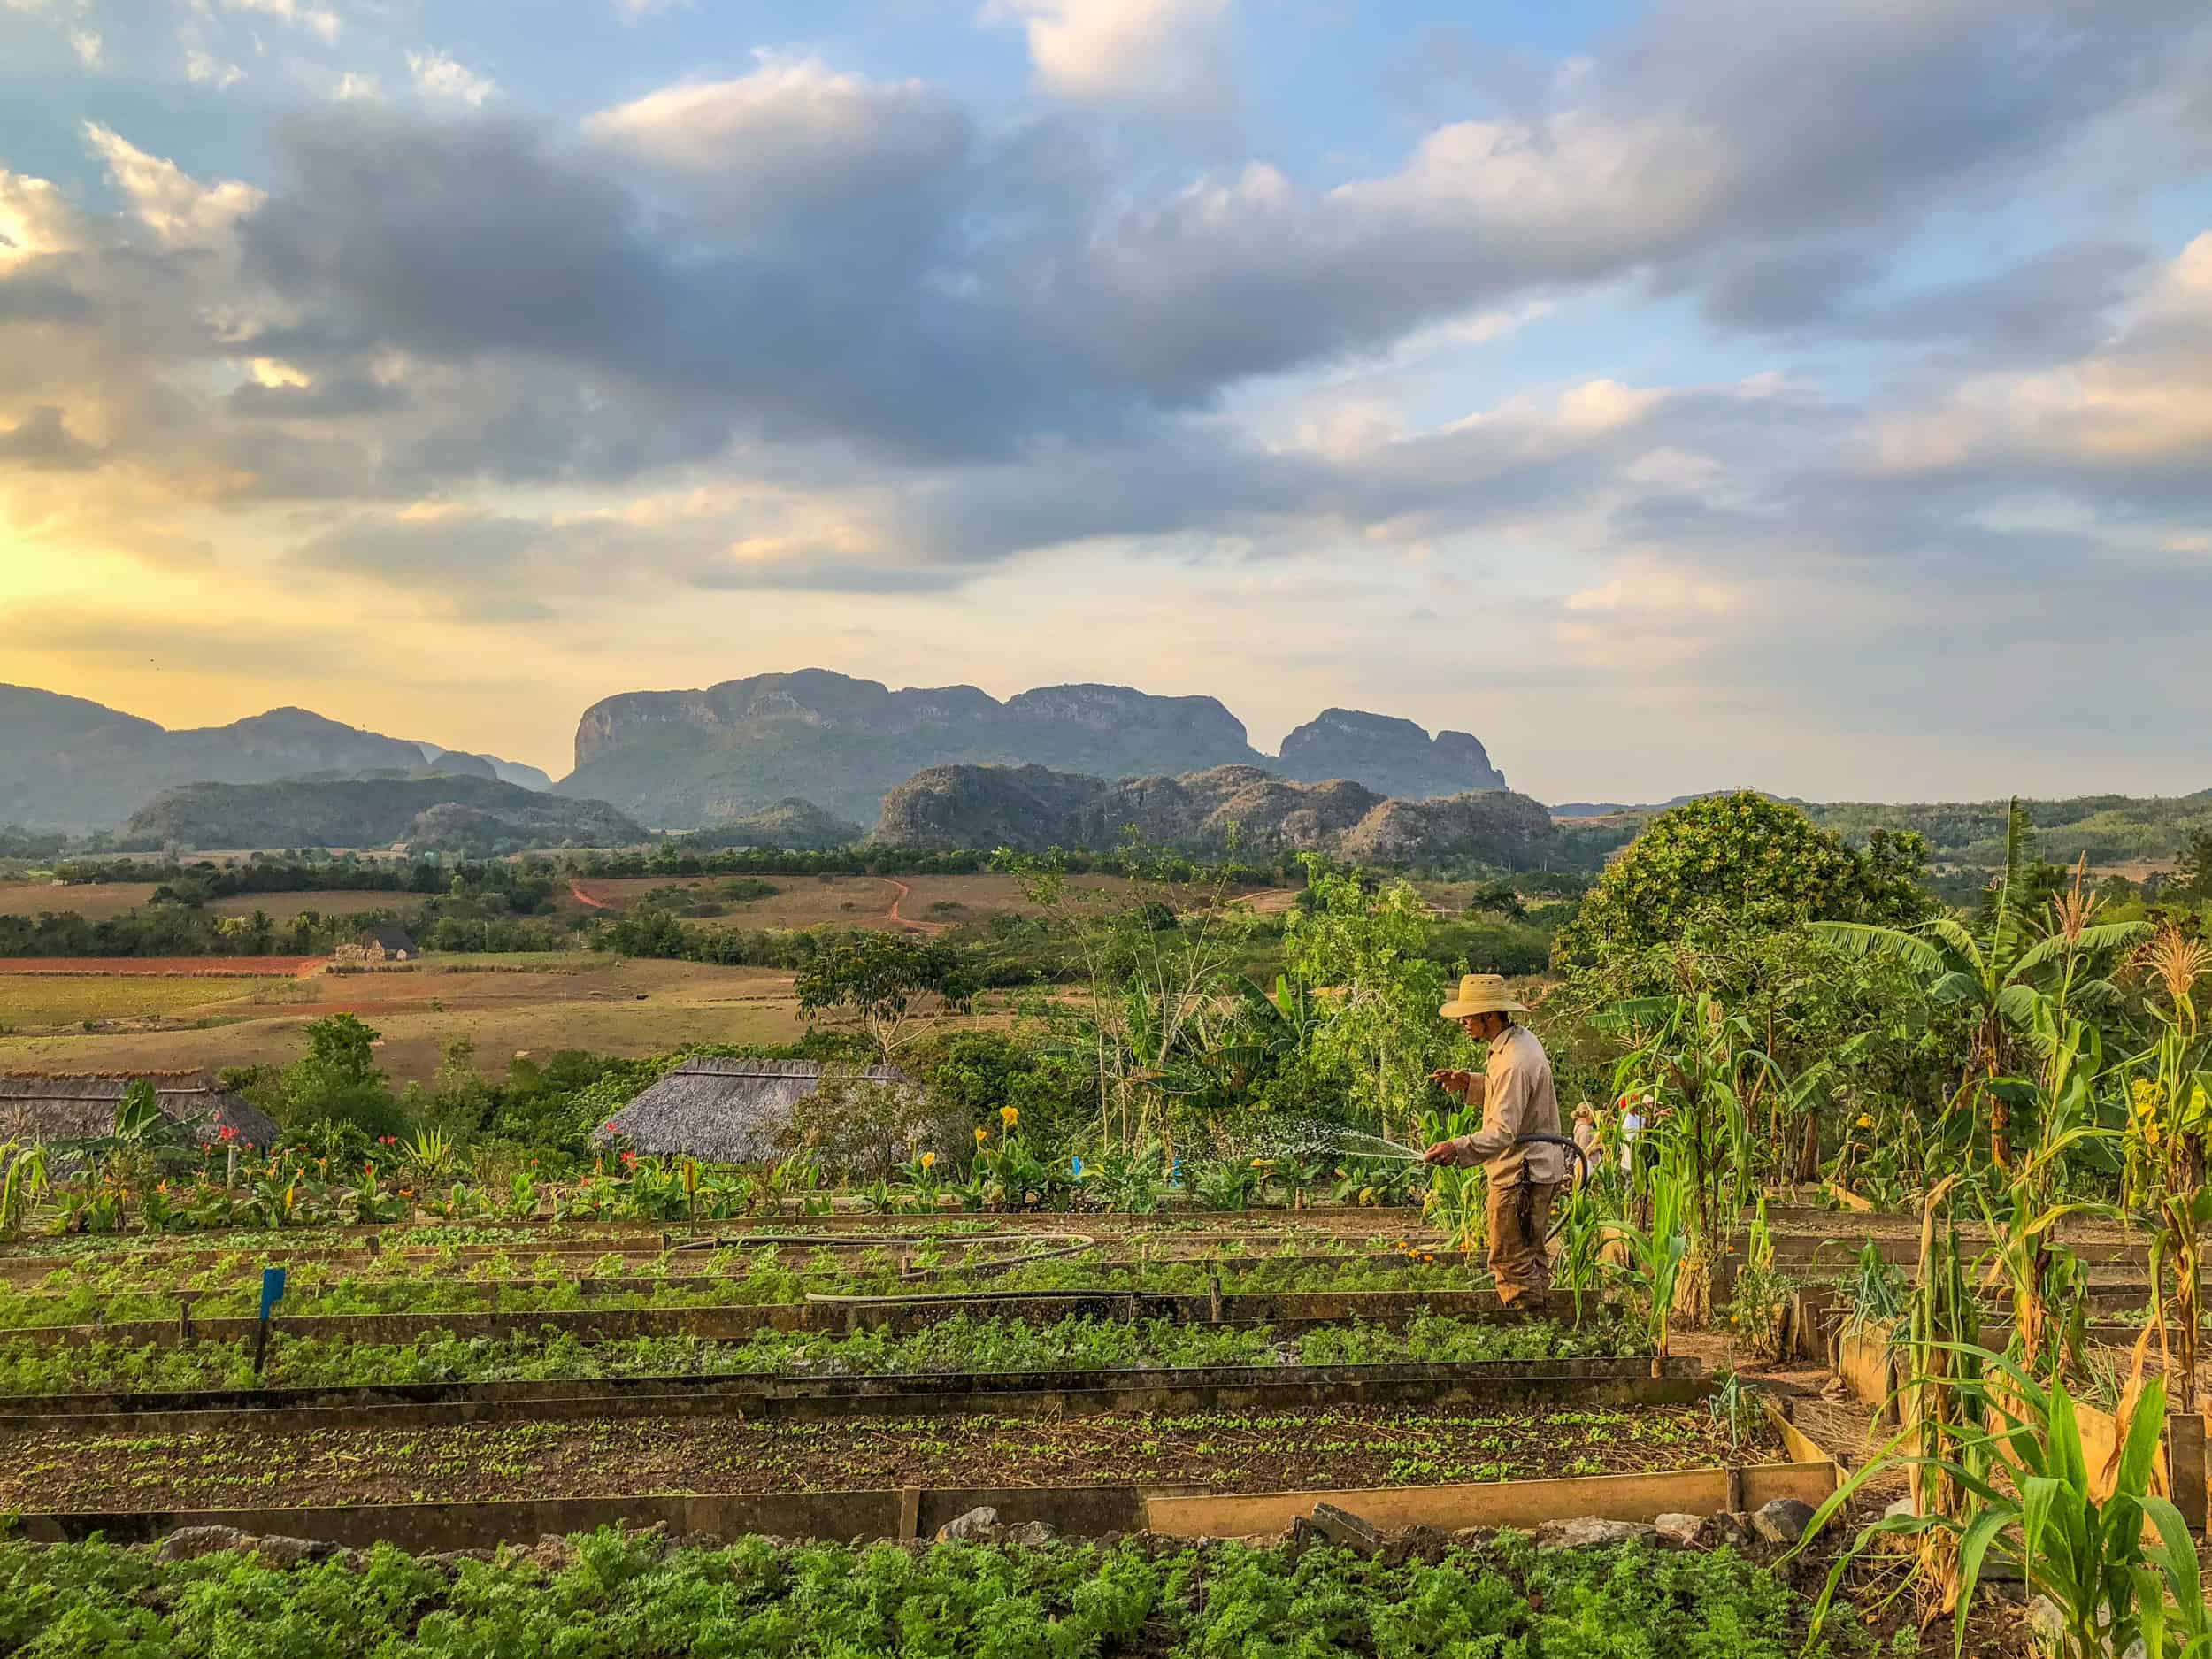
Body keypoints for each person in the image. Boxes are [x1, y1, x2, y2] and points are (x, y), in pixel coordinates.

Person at [1421, 973, 1570, 1308]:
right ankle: (1543, 1328)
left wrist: (1455, 1148)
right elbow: (1513, 1098)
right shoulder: (1518, 1042)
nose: (1463, 1022)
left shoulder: (1513, 1062)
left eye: (1469, 1016)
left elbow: (1502, 1130)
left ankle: (1526, 1328)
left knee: (1510, 1261)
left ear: (1490, 1016)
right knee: (1530, 1256)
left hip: (1520, 1175)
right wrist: (1470, 1083)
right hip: (1536, 1170)